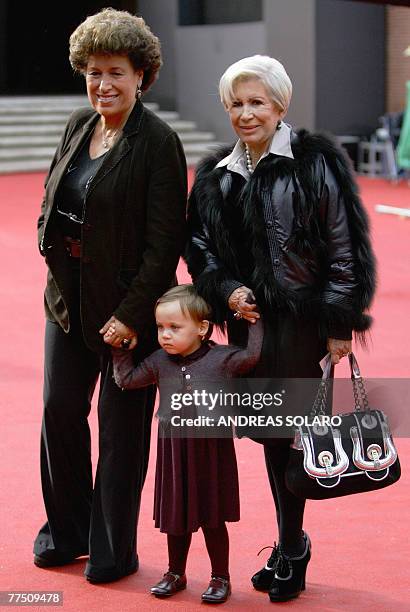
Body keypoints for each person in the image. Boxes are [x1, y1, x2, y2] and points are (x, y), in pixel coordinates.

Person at [185, 55, 376, 602]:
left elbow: (345, 244)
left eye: (256, 103)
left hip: (305, 326)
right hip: (252, 328)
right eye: (236, 104)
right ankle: (291, 543)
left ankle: (292, 546)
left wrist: (341, 321)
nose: (246, 114)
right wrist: (225, 290)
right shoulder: (218, 173)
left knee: (300, 445)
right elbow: (196, 246)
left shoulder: (315, 162)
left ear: (280, 105)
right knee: (271, 437)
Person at [33, 8, 187, 584]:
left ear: (141, 75)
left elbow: (164, 241)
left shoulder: (159, 142)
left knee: (122, 438)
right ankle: (66, 531)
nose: (103, 84)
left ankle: (111, 550)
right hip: (67, 302)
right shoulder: (79, 124)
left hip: (128, 311)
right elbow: (55, 195)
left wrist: (131, 314)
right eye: (94, 72)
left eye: (116, 72)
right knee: (59, 414)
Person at [112, 284, 263, 603]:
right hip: (174, 452)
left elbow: (252, 356)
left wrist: (249, 318)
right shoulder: (158, 361)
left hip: (211, 452)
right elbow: (126, 380)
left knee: (213, 515)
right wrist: (122, 348)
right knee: (175, 515)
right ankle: (175, 573)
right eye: (160, 327)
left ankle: (220, 577)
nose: (165, 335)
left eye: (174, 327)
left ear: (202, 328)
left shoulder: (222, 359)